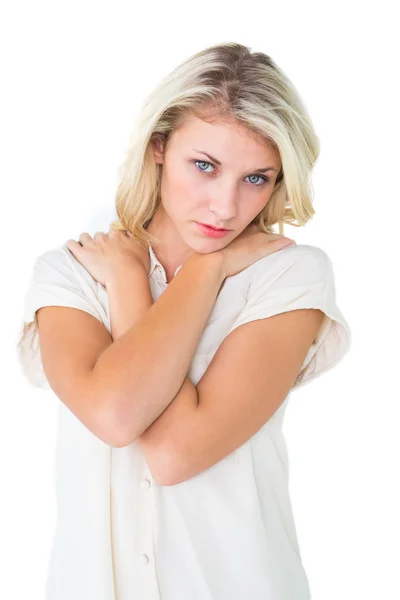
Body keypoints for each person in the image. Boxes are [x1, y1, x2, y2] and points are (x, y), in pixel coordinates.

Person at [17, 42, 351, 600]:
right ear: (158, 148)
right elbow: (117, 414)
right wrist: (140, 279)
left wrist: (198, 271)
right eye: (204, 166)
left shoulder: (288, 276)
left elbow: (173, 453)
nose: (225, 207)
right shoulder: (71, 275)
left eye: (256, 178)